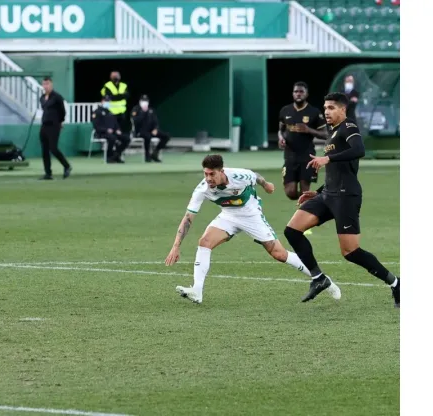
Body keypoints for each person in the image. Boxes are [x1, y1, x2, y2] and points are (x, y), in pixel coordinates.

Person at [164, 154, 341, 305]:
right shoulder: (202, 189)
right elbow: (188, 218)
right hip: (228, 216)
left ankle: (322, 279)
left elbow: (254, 176)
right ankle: (197, 290)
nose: (208, 178)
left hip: (251, 215)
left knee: (279, 254)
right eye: (206, 173)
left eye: (212, 174)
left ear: (222, 171)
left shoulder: (239, 176)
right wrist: (176, 246)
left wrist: (266, 185)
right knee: (204, 242)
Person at [284, 92, 399, 307]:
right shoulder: (333, 131)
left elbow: (359, 150)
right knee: (292, 230)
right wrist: (317, 192)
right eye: (325, 108)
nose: (326, 112)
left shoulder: (349, 127)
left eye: (331, 108)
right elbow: (337, 171)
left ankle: (395, 283)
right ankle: (318, 278)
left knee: (350, 252)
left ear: (342, 109)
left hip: (346, 196)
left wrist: (327, 158)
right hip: (328, 194)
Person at [278, 82, 328, 200]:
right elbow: (281, 130)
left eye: (301, 92)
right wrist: (281, 139)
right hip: (290, 155)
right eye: (296, 92)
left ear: (307, 94)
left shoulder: (314, 112)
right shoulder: (285, 110)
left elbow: (326, 134)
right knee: (290, 192)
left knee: (305, 191)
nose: (298, 94)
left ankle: (306, 212)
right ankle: (312, 200)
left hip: (307, 155)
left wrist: (308, 130)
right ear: (292, 94)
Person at [38, 77, 71, 180]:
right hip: (44, 125)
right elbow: (44, 108)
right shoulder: (42, 97)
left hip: (54, 125)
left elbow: (62, 111)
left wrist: (61, 121)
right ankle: (48, 173)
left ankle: (67, 166)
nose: (45, 86)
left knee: (53, 148)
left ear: (51, 84)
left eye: (47, 84)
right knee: (44, 150)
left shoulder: (57, 97)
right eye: (44, 84)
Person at [131, 95, 170, 163]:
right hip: (140, 131)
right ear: (140, 101)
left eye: (146, 101)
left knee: (166, 136)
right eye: (143, 101)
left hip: (151, 131)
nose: (145, 103)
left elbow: (156, 122)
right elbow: (135, 121)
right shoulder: (136, 109)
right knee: (147, 137)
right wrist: (143, 113)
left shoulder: (151, 110)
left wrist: (155, 129)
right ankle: (147, 156)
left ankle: (155, 152)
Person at [92, 96, 130, 164]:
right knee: (112, 138)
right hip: (102, 133)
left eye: (109, 102)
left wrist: (118, 129)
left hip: (113, 132)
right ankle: (109, 157)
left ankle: (116, 155)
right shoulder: (97, 112)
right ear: (102, 101)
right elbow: (96, 126)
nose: (108, 103)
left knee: (126, 138)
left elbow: (115, 124)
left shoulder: (110, 112)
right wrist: (106, 130)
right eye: (106, 101)